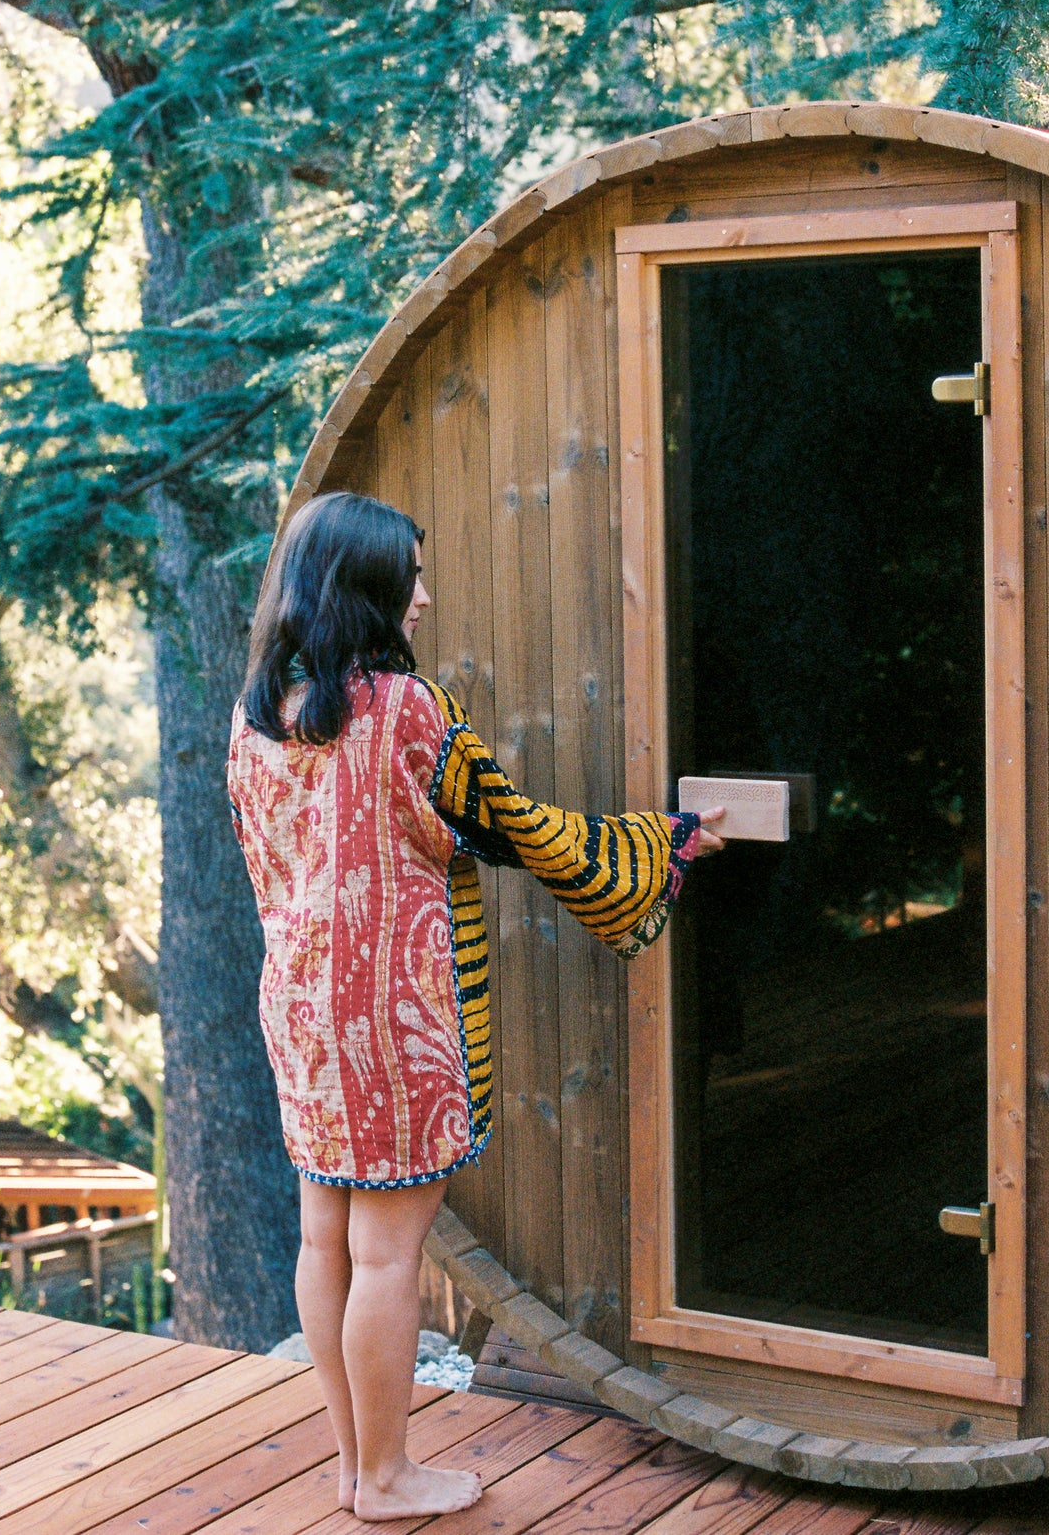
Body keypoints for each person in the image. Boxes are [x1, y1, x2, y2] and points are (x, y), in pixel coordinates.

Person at [227, 491, 725, 1522]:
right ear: (362, 587)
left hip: (304, 1014)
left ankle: (354, 1464)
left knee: (326, 1239)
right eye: (409, 575)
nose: (423, 596)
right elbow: (513, 826)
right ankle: (390, 1476)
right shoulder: (405, 711)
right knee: (386, 1251)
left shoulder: (257, 715)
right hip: (397, 1014)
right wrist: (661, 844)